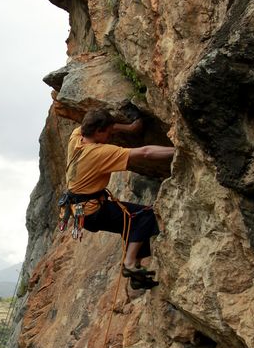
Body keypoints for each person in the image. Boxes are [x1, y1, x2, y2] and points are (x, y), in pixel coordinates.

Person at [65, 108, 174, 289]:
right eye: (107, 132)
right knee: (144, 216)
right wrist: (180, 150)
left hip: (80, 210)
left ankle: (137, 274)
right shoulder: (100, 153)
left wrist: (130, 128)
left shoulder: (76, 137)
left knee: (130, 223)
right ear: (99, 132)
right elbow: (145, 152)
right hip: (94, 211)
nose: (110, 135)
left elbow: (103, 126)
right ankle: (130, 264)